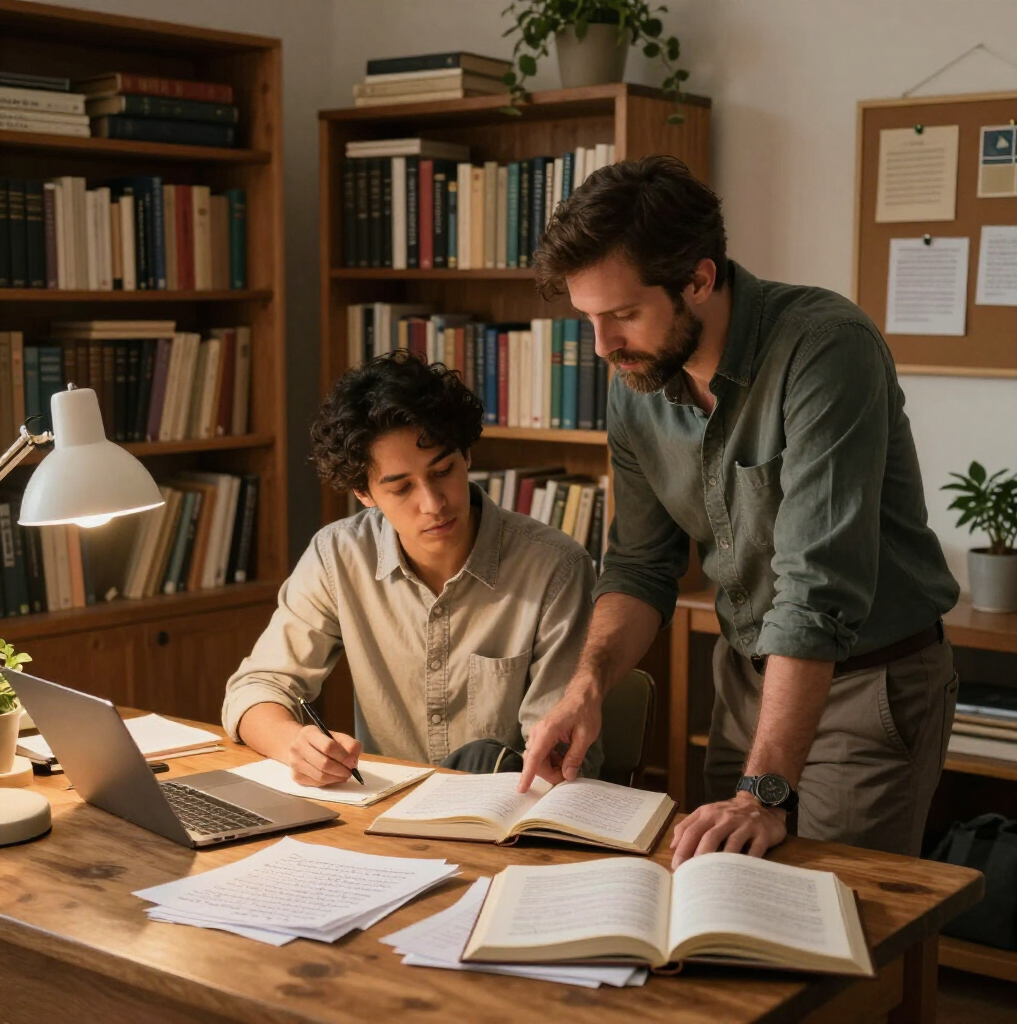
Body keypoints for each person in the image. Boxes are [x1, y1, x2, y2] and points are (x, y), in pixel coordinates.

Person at [520, 155, 960, 865]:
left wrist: (762, 791)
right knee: (724, 895)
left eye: (624, 315)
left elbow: (815, 589)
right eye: (589, 320)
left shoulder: (825, 348)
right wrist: (586, 687)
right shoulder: (637, 379)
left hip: (866, 688)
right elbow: (639, 565)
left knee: (835, 927)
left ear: (699, 278)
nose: (603, 348)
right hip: (744, 680)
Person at [223, 351, 599, 785]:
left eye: (443, 471)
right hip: (387, 820)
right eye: (401, 487)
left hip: (510, 819)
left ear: (467, 455)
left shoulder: (555, 568)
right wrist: (295, 744)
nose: (433, 504)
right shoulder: (337, 557)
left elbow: (555, 760)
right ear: (364, 493)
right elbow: (256, 688)